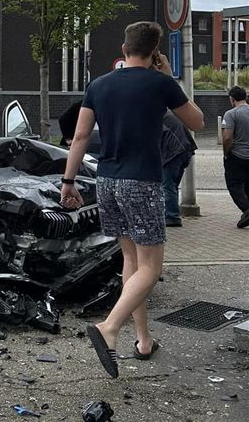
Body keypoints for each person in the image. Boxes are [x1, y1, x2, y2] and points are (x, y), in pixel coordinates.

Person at [60, 21, 204, 379]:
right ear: (155, 52)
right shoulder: (160, 84)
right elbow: (198, 122)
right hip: (141, 182)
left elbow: (79, 138)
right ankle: (109, 328)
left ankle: (143, 340)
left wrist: (68, 181)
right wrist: (171, 77)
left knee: (131, 259)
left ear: (124, 49)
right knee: (151, 268)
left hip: (106, 181)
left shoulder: (99, 85)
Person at [161, 111, 197, 227]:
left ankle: (172, 216)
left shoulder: (155, 115)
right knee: (172, 185)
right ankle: (171, 213)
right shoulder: (166, 114)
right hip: (184, 150)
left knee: (168, 185)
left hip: (174, 153)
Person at [222, 85, 249, 229]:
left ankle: (247, 211)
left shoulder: (231, 114)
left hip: (237, 156)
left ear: (232, 99)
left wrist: (226, 153)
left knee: (234, 185)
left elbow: (227, 138)